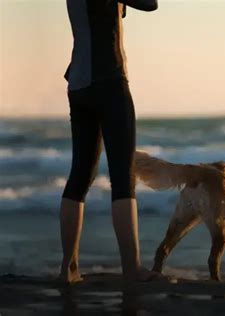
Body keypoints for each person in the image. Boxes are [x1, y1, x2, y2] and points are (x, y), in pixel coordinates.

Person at [59, 0, 158, 283]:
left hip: (78, 84)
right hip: (109, 82)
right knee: (122, 178)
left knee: (79, 176)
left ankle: (69, 268)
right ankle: (132, 270)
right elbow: (150, 4)